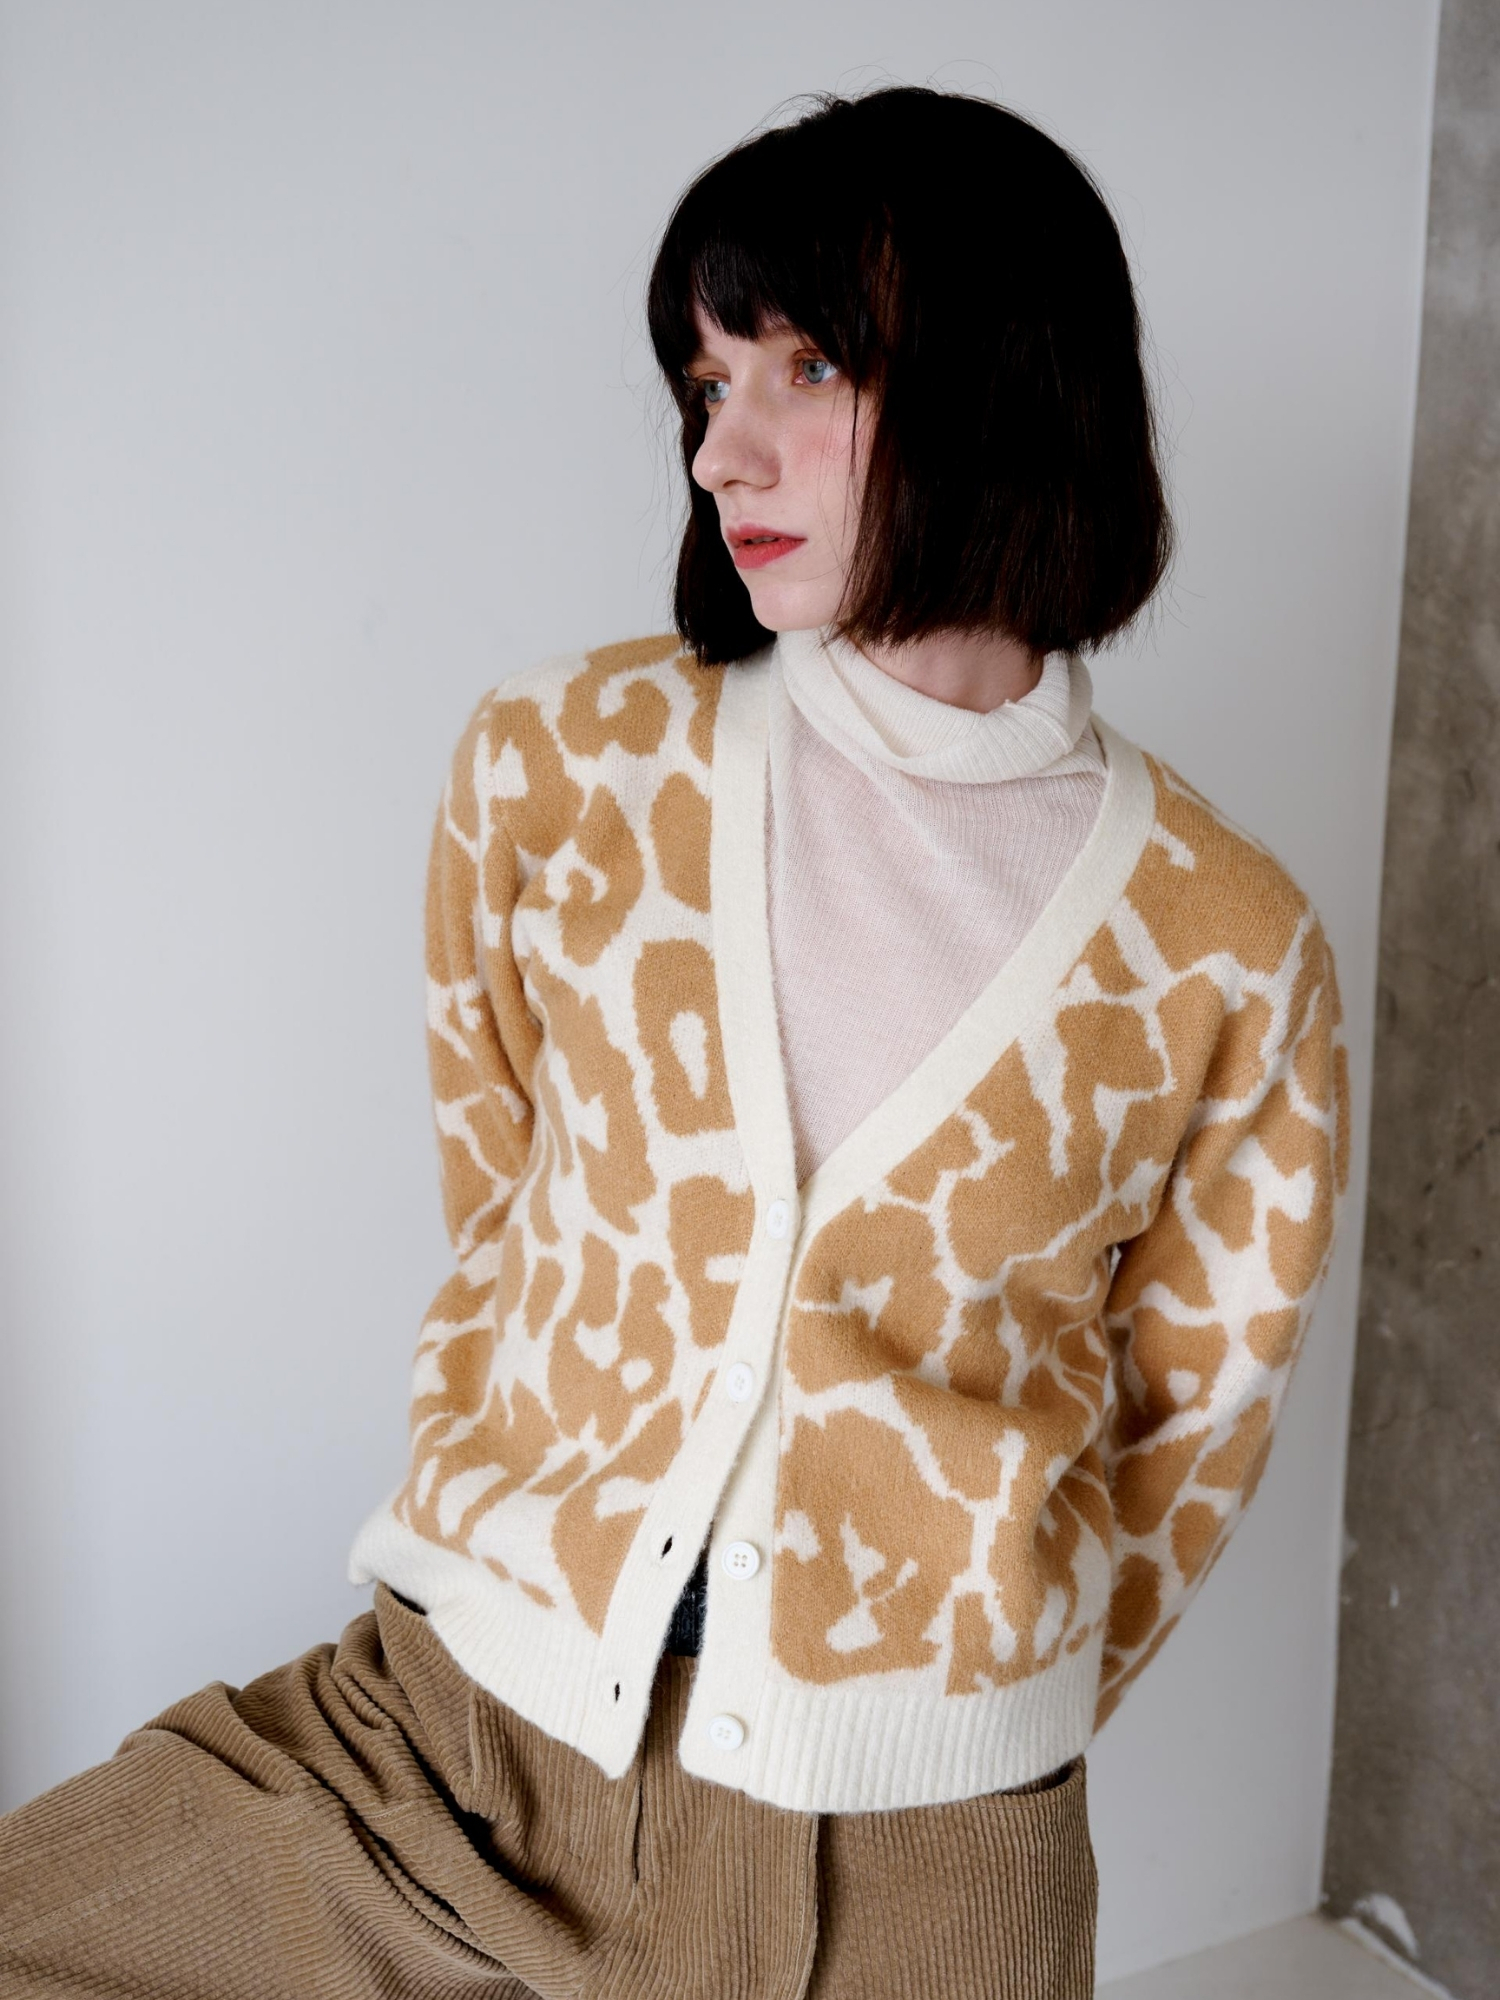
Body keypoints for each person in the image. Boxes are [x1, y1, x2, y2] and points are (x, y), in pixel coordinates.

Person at [0, 83, 1349, 2000]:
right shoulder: (562, 770)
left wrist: (941, 1708)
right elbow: (505, 1206)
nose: (725, 449)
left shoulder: (1226, 946)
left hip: (924, 1864)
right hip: (454, 1756)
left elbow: (1179, 1444)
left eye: (808, 366)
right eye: (706, 385)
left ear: (1009, 374)